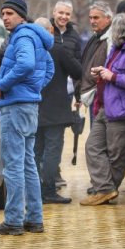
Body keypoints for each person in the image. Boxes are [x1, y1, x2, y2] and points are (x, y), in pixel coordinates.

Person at [0, 0, 55, 235]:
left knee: (14, 166)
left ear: (21, 15)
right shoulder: (33, 36)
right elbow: (48, 67)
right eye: (3, 13)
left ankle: (14, 221)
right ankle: (34, 219)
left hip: (16, 106)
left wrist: (4, 84)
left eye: (9, 13)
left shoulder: (23, 36)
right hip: (27, 105)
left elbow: (27, 64)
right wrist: (34, 88)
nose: (5, 17)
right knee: (28, 163)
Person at [80, 13, 125, 206]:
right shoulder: (118, 49)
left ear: (120, 32)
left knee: (116, 154)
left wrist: (112, 76)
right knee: (92, 147)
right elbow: (112, 72)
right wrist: (102, 73)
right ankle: (105, 188)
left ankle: (105, 190)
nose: (110, 34)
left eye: (113, 31)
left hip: (122, 111)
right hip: (106, 106)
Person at [33, 17, 82, 205]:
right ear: (51, 31)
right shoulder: (58, 50)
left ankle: (35, 189)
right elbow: (77, 71)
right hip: (56, 110)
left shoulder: (30, 50)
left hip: (34, 107)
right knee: (52, 151)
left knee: (36, 151)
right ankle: (48, 190)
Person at [50, 0, 83, 188]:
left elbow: (78, 67)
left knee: (59, 134)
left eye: (67, 14)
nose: (63, 17)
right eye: (60, 13)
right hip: (47, 91)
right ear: (54, 13)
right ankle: (48, 172)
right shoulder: (46, 31)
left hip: (66, 93)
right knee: (47, 134)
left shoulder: (74, 36)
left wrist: (78, 97)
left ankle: (55, 171)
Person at [74, 1, 113, 125]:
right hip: (95, 96)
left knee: (97, 141)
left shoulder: (111, 39)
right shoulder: (96, 37)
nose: (92, 21)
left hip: (104, 97)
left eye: (96, 17)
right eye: (90, 18)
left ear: (108, 18)